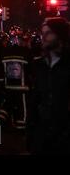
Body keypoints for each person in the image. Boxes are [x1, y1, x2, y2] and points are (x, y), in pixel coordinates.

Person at [27, 17, 70, 154]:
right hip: (43, 136)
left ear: (60, 35)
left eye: (48, 33)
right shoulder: (40, 65)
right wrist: (31, 132)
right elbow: (36, 99)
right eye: (42, 32)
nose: (43, 36)